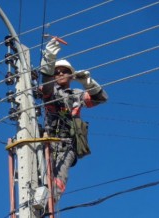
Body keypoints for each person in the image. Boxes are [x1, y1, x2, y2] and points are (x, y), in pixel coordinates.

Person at [40, 38, 108, 202]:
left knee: (60, 178)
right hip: (48, 141)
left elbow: (101, 98)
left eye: (64, 71)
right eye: (57, 71)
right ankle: (37, 202)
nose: (60, 73)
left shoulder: (77, 94)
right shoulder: (50, 91)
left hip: (68, 144)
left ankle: (48, 206)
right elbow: (46, 84)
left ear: (71, 75)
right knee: (38, 176)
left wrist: (88, 82)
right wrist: (48, 59)